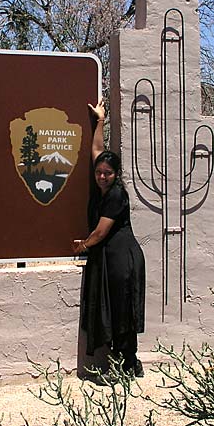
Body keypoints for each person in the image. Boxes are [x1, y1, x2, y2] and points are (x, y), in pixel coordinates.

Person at [74, 99, 145, 382]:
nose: (102, 177)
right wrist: (100, 120)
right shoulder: (102, 176)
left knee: (121, 309)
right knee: (113, 309)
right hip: (109, 258)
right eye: (99, 173)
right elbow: (96, 150)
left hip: (122, 259)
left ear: (116, 176)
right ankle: (125, 364)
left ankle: (127, 365)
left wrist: (83, 245)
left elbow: (102, 232)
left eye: (108, 174)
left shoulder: (116, 195)